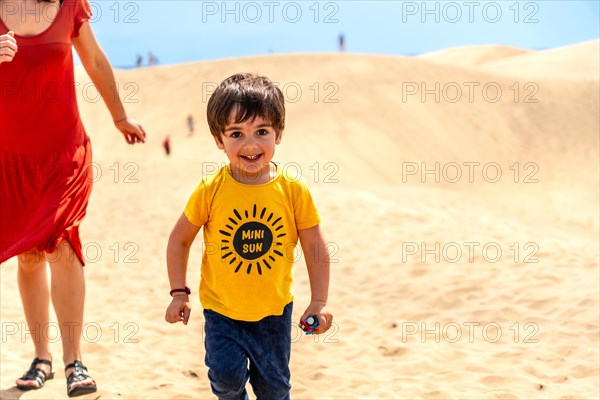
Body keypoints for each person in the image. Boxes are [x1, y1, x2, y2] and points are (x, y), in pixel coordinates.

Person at [0, 0, 146, 397]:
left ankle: (73, 361)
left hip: (63, 152)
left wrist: (119, 117)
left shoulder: (69, 6)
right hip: (9, 161)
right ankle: (41, 358)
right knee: (28, 256)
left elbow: (95, 61)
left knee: (62, 244)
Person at [165, 73, 333, 399]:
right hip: (221, 312)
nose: (251, 144)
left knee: (274, 390)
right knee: (226, 380)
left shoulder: (293, 190)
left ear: (279, 133)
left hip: (274, 314)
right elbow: (179, 240)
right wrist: (178, 292)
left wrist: (319, 301)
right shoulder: (210, 190)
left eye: (262, 131)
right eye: (236, 134)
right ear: (218, 139)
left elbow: (315, 246)